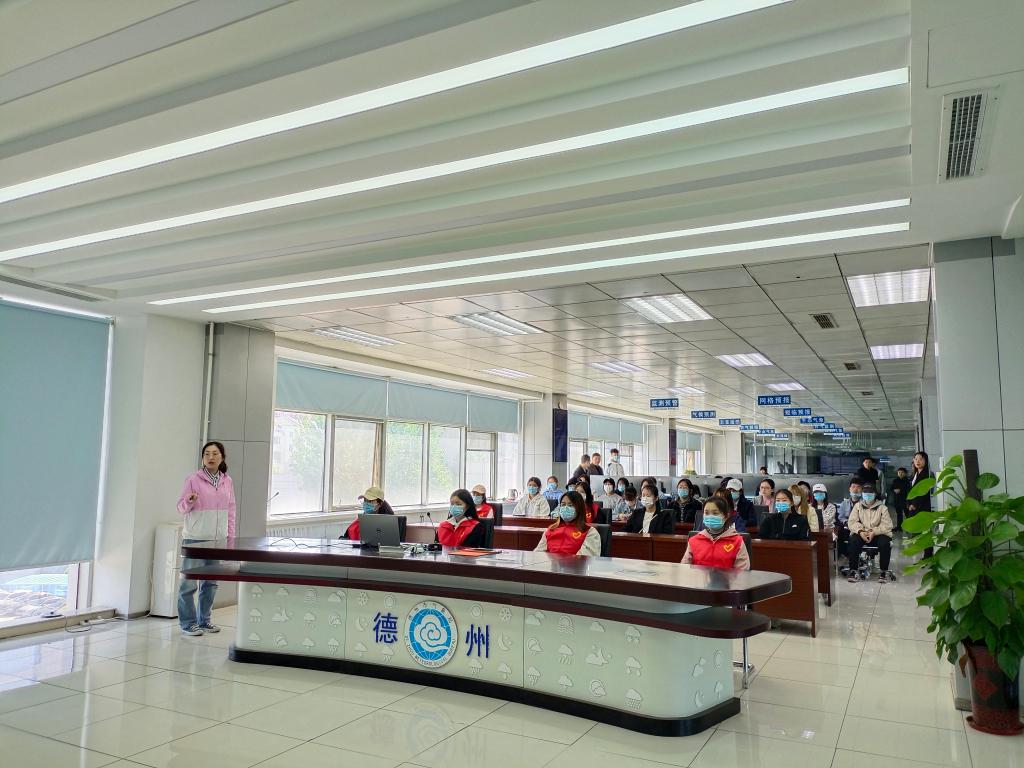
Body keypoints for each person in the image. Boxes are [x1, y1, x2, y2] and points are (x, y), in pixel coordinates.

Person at [177, 441, 236, 637]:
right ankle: (188, 623)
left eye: (215, 453)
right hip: (195, 539)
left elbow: (231, 510)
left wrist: (230, 537)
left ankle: (204, 620)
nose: (211, 457)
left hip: (217, 540)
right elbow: (180, 508)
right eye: (207, 454)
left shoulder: (227, 481)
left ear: (222, 457)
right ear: (203, 458)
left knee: (210, 583)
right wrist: (189, 501)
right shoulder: (193, 479)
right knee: (188, 584)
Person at [681, 497, 750, 570]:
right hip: (698, 577)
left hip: (727, 578)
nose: (710, 516)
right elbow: (684, 568)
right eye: (706, 513)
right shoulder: (694, 540)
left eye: (715, 513)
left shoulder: (737, 541)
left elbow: (743, 571)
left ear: (726, 516)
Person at [847, 483, 894, 583]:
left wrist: (874, 531)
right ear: (862, 494)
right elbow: (852, 522)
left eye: (870, 492)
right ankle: (853, 570)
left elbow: (887, 525)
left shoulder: (882, 508)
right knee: (853, 540)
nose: (867, 495)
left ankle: (883, 571)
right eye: (865, 492)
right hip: (862, 533)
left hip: (878, 534)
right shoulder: (858, 506)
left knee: (885, 543)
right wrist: (860, 531)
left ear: (875, 494)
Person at [534, 491, 602, 556]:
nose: (566, 508)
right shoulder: (550, 530)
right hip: (549, 563)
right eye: (563, 505)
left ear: (579, 508)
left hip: (574, 564)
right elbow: (538, 554)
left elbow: (586, 558)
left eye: (570, 505)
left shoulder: (590, 532)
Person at [907, 451, 934, 558]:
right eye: (916, 459)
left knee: (926, 532)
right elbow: (911, 491)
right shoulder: (915, 474)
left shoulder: (928, 474)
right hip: (914, 507)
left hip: (923, 507)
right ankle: (926, 554)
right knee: (919, 532)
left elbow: (925, 492)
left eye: (921, 459)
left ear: (926, 461)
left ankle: (928, 555)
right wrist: (909, 503)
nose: (918, 461)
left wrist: (914, 504)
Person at [836, 479, 862, 567]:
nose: (855, 489)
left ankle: (852, 559)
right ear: (849, 489)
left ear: (862, 490)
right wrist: (847, 523)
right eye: (853, 487)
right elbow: (841, 517)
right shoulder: (844, 503)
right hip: (846, 528)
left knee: (854, 538)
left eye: (858, 487)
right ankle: (844, 556)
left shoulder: (865, 503)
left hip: (859, 529)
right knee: (838, 534)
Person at [889, 466, 910, 532]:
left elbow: (908, 490)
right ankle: (899, 527)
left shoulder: (907, 481)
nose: (900, 473)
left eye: (902, 472)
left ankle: (909, 527)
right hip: (897, 499)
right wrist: (894, 490)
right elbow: (891, 488)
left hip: (905, 500)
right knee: (899, 514)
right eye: (899, 472)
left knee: (907, 514)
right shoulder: (895, 480)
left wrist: (900, 491)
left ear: (905, 473)